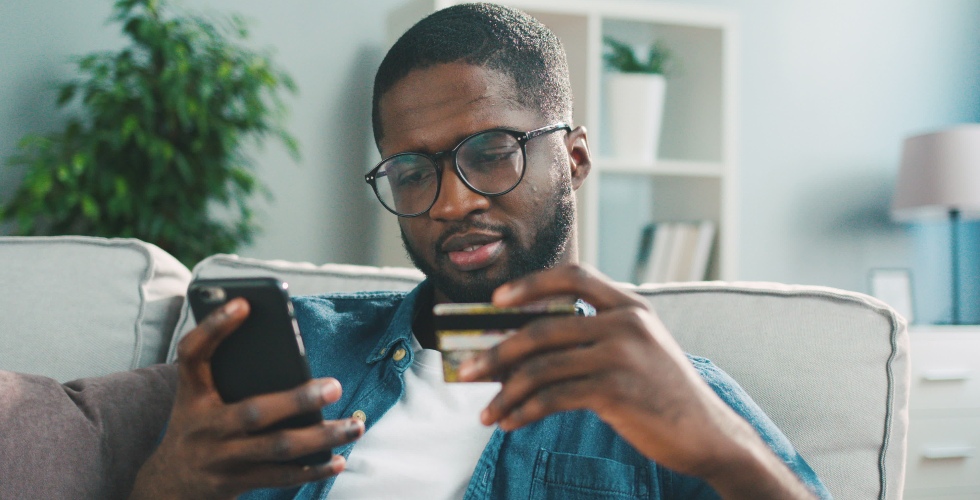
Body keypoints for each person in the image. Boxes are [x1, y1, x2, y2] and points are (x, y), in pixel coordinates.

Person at [131, 3, 830, 499]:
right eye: (412, 171)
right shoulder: (306, 350)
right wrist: (169, 485)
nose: (451, 201)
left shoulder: (668, 391)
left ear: (576, 158)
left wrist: (717, 445)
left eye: (491, 153)